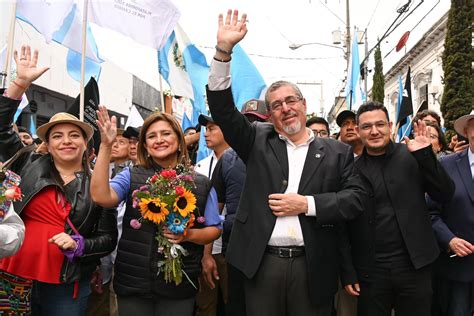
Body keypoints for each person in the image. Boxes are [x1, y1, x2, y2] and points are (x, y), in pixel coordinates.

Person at [206, 10, 367, 315]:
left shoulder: (336, 152)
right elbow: (223, 110)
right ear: (270, 115)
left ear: (304, 105)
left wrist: (306, 204)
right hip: (262, 264)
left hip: (313, 265)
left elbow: (355, 199)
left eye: (291, 101)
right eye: (276, 105)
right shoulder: (256, 139)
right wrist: (223, 51)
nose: (285, 108)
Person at [0, 45, 118, 316]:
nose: (66, 140)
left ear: (85, 142)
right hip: (12, 274)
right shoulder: (26, 162)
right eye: (57, 135)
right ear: (48, 144)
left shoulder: (97, 185)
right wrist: (20, 83)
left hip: (65, 283)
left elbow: (108, 238)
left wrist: (80, 245)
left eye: (74, 135)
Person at [90, 107, 222, 316]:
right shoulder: (131, 175)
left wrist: (188, 234)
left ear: (179, 141)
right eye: (152, 136)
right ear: (146, 146)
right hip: (133, 283)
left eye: (166, 133)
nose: (159, 140)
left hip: (178, 286)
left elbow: (214, 229)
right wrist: (106, 146)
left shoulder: (201, 183)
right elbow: (101, 196)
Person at [341, 102, 455, 316]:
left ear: (390, 126)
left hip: (415, 267)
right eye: (366, 127)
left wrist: (425, 157)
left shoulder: (413, 155)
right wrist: (348, 272)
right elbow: (343, 226)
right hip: (370, 272)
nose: (374, 131)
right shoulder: (350, 170)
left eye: (380, 124)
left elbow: (445, 194)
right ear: (358, 130)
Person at [207, 98, 270, 316]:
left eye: (259, 121)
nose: (254, 127)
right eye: (248, 121)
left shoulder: (281, 156)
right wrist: (207, 254)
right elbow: (213, 210)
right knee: (237, 306)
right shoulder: (227, 160)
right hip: (234, 247)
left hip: (271, 250)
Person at [429, 110, 474, 316]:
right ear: (467, 131)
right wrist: (450, 240)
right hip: (458, 271)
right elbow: (430, 212)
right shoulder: (446, 165)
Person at [194, 114, 230, 316]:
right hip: (204, 247)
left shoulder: (242, 162)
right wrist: (205, 254)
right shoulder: (199, 167)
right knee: (205, 305)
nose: (206, 134)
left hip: (231, 248)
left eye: (212, 128)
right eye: (205, 129)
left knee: (232, 303)